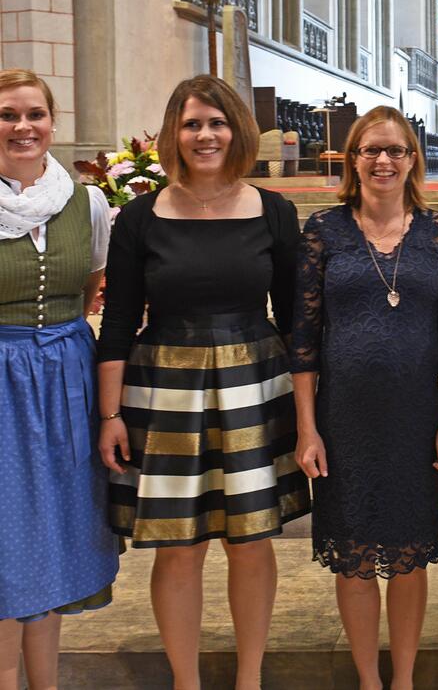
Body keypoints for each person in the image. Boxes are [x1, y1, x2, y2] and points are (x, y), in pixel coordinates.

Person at [96, 75, 311, 690]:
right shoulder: (141, 217)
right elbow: (117, 323)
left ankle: (250, 677)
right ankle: (185, 682)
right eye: (192, 124)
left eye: (216, 123)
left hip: (255, 383)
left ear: (236, 130)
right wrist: (110, 416)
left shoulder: (274, 211)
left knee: (249, 542)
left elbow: (297, 319)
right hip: (164, 389)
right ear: (174, 134)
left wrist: (308, 412)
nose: (205, 135)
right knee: (178, 546)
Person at [291, 106, 438, 690]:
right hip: (343, 420)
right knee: (355, 552)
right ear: (353, 159)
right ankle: (369, 680)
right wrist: (307, 428)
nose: (383, 160)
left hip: (416, 417)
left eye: (394, 150)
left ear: (412, 159)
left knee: (409, 554)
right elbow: (304, 339)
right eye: (371, 150)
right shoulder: (323, 230)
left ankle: (406, 678)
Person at [0, 68, 119, 690]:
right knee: (5, 540)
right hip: (1, 379)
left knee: (55, 534)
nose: (23, 127)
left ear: (53, 122)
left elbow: (91, 288)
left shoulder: (86, 202)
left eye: (34, 114)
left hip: (67, 375)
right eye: (8, 114)